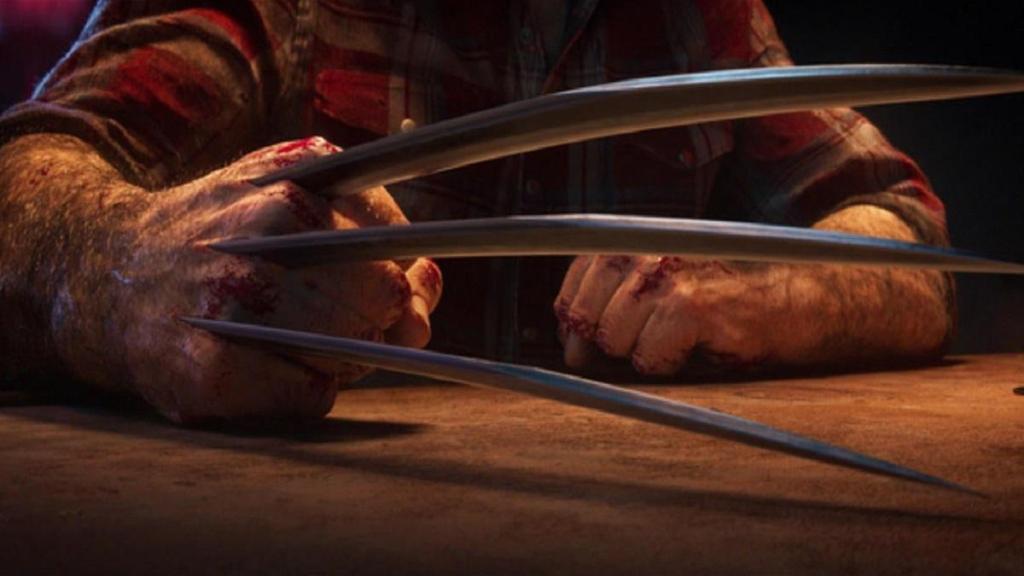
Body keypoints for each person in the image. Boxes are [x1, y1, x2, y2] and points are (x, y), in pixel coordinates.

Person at [0, 0, 953, 423]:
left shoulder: (701, 17)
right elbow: (24, 169)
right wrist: (121, 270)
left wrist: (762, 287)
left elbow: (905, 230)